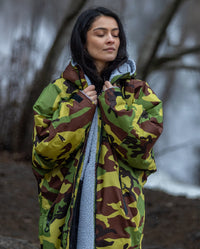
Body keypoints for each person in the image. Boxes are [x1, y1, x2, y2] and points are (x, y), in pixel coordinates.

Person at [32, 6, 163, 249]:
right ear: (83, 42)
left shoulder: (138, 93)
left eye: (115, 33)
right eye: (101, 33)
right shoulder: (58, 92)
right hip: (63, 210)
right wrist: (79, 110)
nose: (111, 39)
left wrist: (114, 106)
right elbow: (42, 156)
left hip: (119, 216)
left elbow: (141, 149)